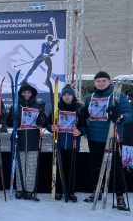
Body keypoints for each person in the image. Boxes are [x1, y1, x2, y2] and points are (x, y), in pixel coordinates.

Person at [82, 71, 132, 210]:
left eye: (104, 80)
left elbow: (129, 114)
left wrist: (120, 116)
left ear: (109, 82)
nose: (101, 83)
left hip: (112, 137)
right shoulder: (89, 98)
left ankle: (120, 196)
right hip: (94, 137)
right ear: (94, 83)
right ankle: (96, 191)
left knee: (116, 168)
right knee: (96, 166)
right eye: (98, 81)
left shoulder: (117, 97)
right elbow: (84, 116)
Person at [6, 82, 47, 201]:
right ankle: (19, 189)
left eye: (29, 92)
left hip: (33, 139)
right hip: (19, 139)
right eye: (24, 92)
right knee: (19, 166)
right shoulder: (15, 106)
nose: (26, 94)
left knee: (31, 166)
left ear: (32, 93)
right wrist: (11, 117)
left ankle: (29, 190)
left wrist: (42, 117)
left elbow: (43, 123)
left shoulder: (38, 105)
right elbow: (8, 123)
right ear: (20, 93)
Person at [47, 84, 86, 202]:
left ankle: (70, 191)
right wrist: (51, 127)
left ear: (73, 96)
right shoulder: (56, 108)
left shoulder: (79, 108)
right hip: (59, 142)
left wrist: (80, 131)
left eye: (69, 95)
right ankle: (58, 190)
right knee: (59, 167)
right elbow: (48, 124)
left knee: (71, 168)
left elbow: (84, 126)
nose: (67, 97)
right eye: (64, 95)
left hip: (73, 143)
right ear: (62, 96)